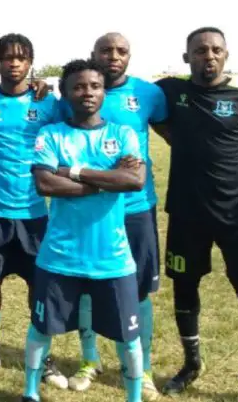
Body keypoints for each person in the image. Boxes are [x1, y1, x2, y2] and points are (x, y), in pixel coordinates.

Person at [157, 27, 238, 402]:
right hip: (186, 214)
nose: (208, 56)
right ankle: (191, 364)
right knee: (184, 289)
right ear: (187, 58)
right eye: (199, 50)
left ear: (226, 55)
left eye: (215, 50)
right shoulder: (169, 92)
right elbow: (123, 93)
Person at [24, 58, 146, 402]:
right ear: (65, 93)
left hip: (113, 258)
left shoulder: (122, 134)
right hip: (59, 257)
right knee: (41, 328)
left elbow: (134, 181)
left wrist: (74, 172)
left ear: (104, 92)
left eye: (95, 86)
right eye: (78, 86)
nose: (87, 92)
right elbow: (45, 184)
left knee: (128, 337)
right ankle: (30, 393)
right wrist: (108, 181)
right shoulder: (51, 134)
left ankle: (134, 397)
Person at [65, 33, 167, 400]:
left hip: (136, 208)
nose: (113, 56)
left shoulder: (149, 94)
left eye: (121, 51)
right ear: (93, 55)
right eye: (106, 50)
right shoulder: (75, 94)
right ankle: (89, 360)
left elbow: (179, 137)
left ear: (130, 56)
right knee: (86, 285)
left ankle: (143, 368)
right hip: (88, 209)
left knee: (138, 291)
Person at [0, 33, 67, 387]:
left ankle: (43, 357)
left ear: (30, 62)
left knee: (39, 286)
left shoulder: (48, 103)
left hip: (35, 213)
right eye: (7, 57)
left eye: (21, 58)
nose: (14, 63)